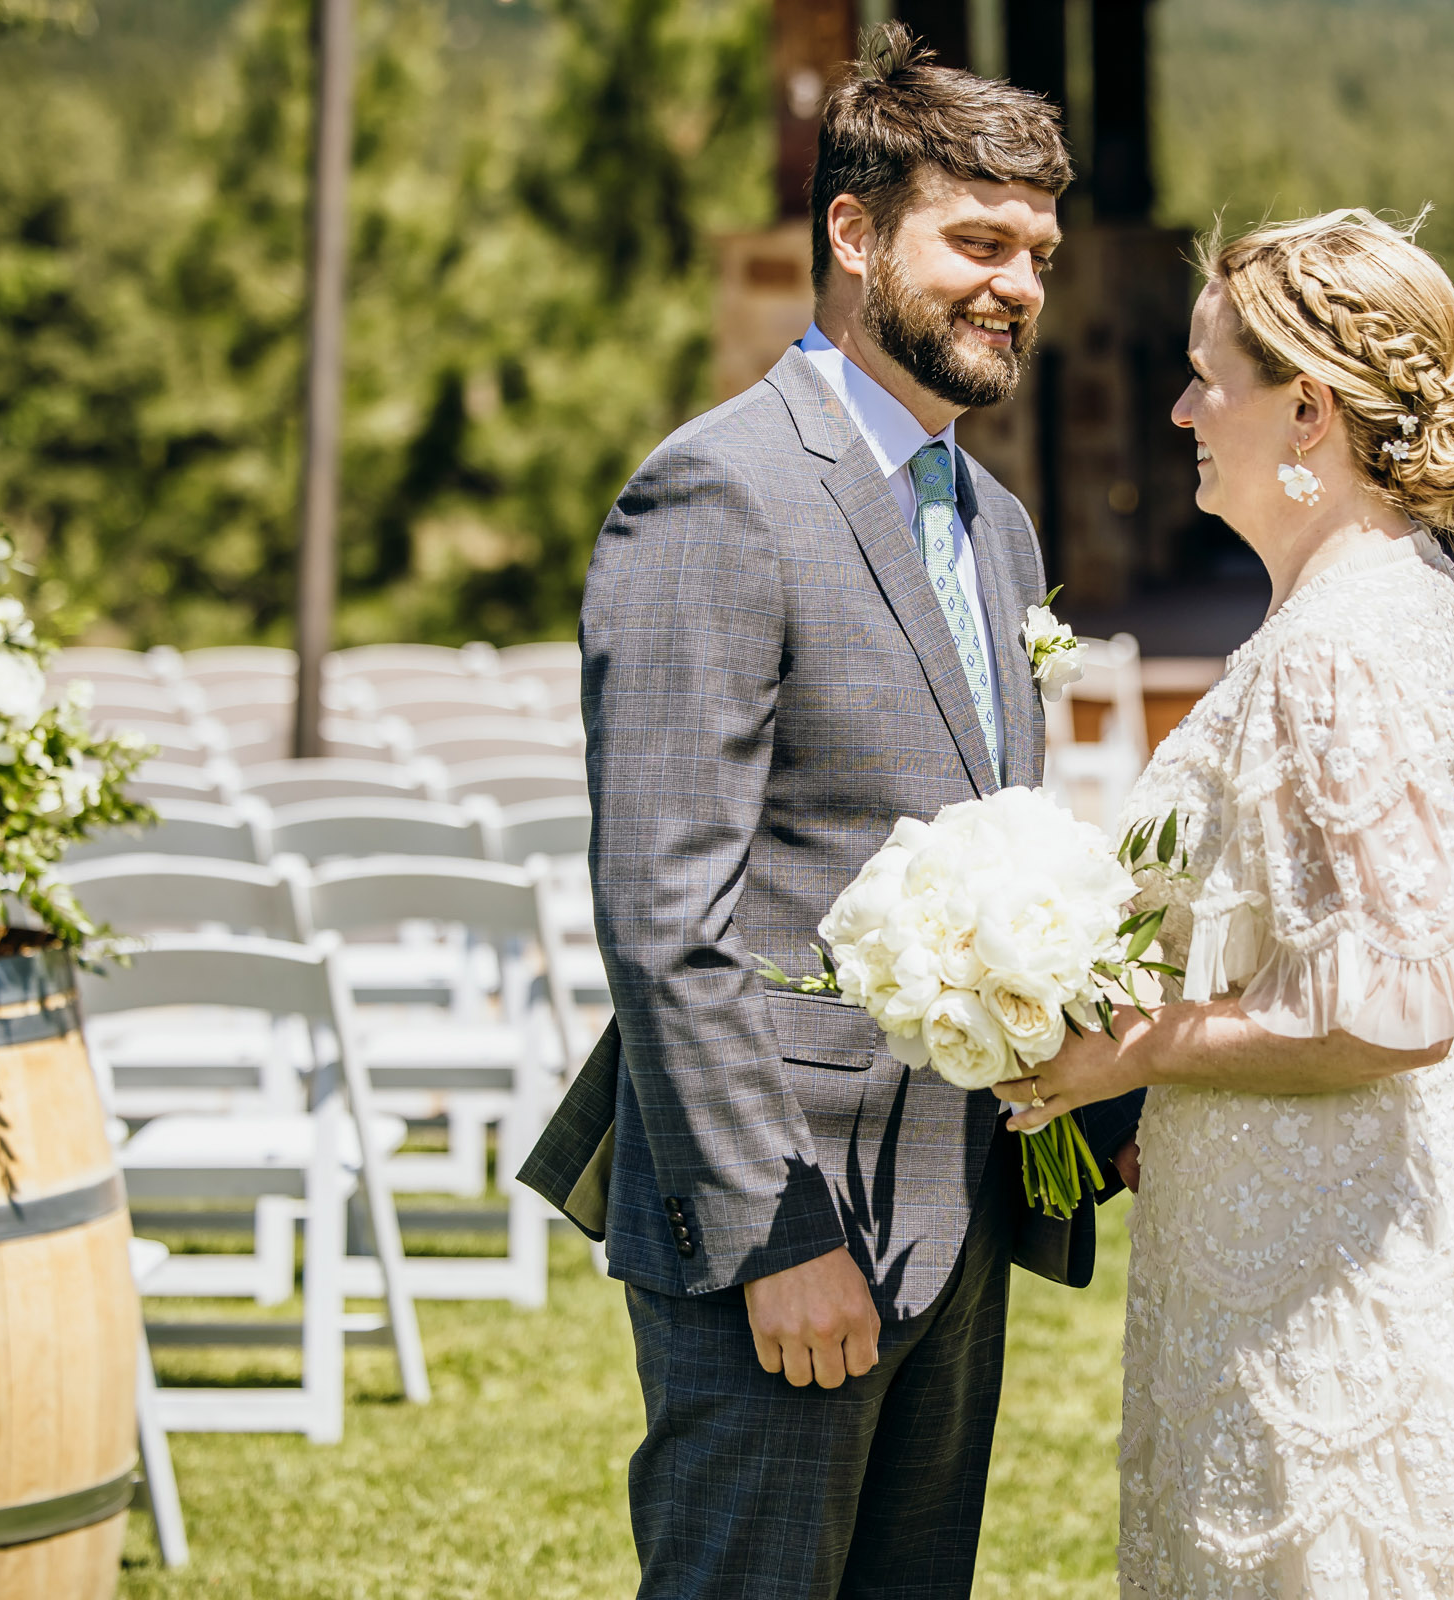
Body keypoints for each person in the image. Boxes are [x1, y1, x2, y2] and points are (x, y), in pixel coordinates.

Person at [516, 26, 1139, 1599]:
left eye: (1040, 252)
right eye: (978, 241)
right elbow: (668, 912)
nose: (1018, 284)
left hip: (958, 1214)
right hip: (786, 1224)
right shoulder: (714, 495)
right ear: (855, 237)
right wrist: (775, 1232)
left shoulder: (989, 520)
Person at [993, 210, 1454, 1598]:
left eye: (1209, 375)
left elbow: (1402, 1001)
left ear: (1308, 412)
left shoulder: (1340, 654)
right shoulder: (1388, 602)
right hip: (1285, 1229)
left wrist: (1134, 1052)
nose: (1181, 407)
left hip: (1329, 1296)